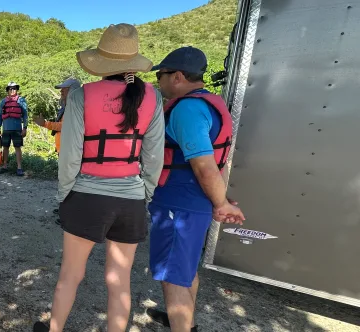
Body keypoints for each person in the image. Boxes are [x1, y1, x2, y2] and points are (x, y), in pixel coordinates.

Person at [33, 24, 165, 332]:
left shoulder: (82, 96)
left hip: (86, 195)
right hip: (131, 198)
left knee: (70, 275)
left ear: (102, 63)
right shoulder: (153, 97)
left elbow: (70, 154)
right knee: (119, 280)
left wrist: (65, 194)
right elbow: (154, 155)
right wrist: (143, 192)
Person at [147, 46, 245, 332]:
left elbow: (204, 165)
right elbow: (219, 161)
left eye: (161, 75)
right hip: (193, 204)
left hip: (180, 205)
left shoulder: (187, 109)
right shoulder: (209, 104)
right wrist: (220, 197)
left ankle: (181, 323)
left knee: (173, 276)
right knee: (185, 268)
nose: (158, 81)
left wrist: (222, 204)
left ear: (177, 76)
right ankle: (185, 323)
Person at [33, 78, 81, 153]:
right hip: (65, 150)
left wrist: (45, 124)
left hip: (70, 151)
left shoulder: (75, 108)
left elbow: (64, 126)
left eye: (65, 88)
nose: (61, 91)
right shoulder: (67, 108)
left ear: (73, 91)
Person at [0, 81, 29, 176]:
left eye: (14, 88)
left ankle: (19, 167)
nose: (12, 90)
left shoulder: (21, 100)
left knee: (17, 147)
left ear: (17, 90)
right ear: (7, 90)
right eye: (10, 88)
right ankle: (5, 166)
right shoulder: (3, 101)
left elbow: (25, 115)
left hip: (17, 129)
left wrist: (25, 128)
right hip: (6, 129)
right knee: (5, 147)